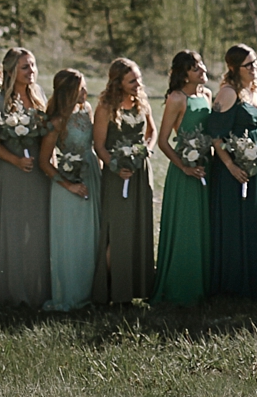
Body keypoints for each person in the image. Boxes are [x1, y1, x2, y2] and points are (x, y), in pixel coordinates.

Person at [0, 47, 52, 307]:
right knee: (14, 230)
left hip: (39, 171)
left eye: (34, 65)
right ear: (11, 71)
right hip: (12, 171)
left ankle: (37, 290)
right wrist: (15, 160)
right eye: (25, 67)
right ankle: (13, 292)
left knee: (37, 231)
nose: (31, 72)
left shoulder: (39, 97)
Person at [207, 44, 257, 299]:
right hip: (232, 169)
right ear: (234, 68)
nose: (254, 68)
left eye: (256, 62)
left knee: (256, 218)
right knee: (236, 222)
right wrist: (231, 165)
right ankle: (233, 282)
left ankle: (256, 278)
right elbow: (215, 135)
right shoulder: (228, 93)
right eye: (249, 65)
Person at [91, 58, 156, 304]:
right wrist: (115, 166)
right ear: (117, 82)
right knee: (117, 231)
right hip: (116, 175)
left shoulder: (142, 101)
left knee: (138, 229)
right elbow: (98, 145)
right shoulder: (106, 107)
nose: (138, 83)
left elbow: (152, 132)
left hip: (140, 174)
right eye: (132, 80)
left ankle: (135, 287)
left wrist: (146, 150)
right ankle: (110, 289)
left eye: (138, 78)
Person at [152, 50, 213, 305]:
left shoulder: (207, 95)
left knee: (203, 228)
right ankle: (179, 287)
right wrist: (185, 167)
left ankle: (202, 285)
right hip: (184, 172)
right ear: (184, 73)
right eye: (195, 68)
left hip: (205, 168)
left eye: (201, 66)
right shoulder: (177, 98)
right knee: (185, 228)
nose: (202, 70)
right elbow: (163, 141)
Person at [41, 68, 100, 311]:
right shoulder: (56, 122)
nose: (86, 92)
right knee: (72, 241)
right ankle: (70, 295)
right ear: (69, 92)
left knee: (91, 238)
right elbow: (44, 161)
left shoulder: (86, 110)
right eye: (81, 88)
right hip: (67, 183)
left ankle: (91, 293)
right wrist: (69, 185)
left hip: (92, 174)